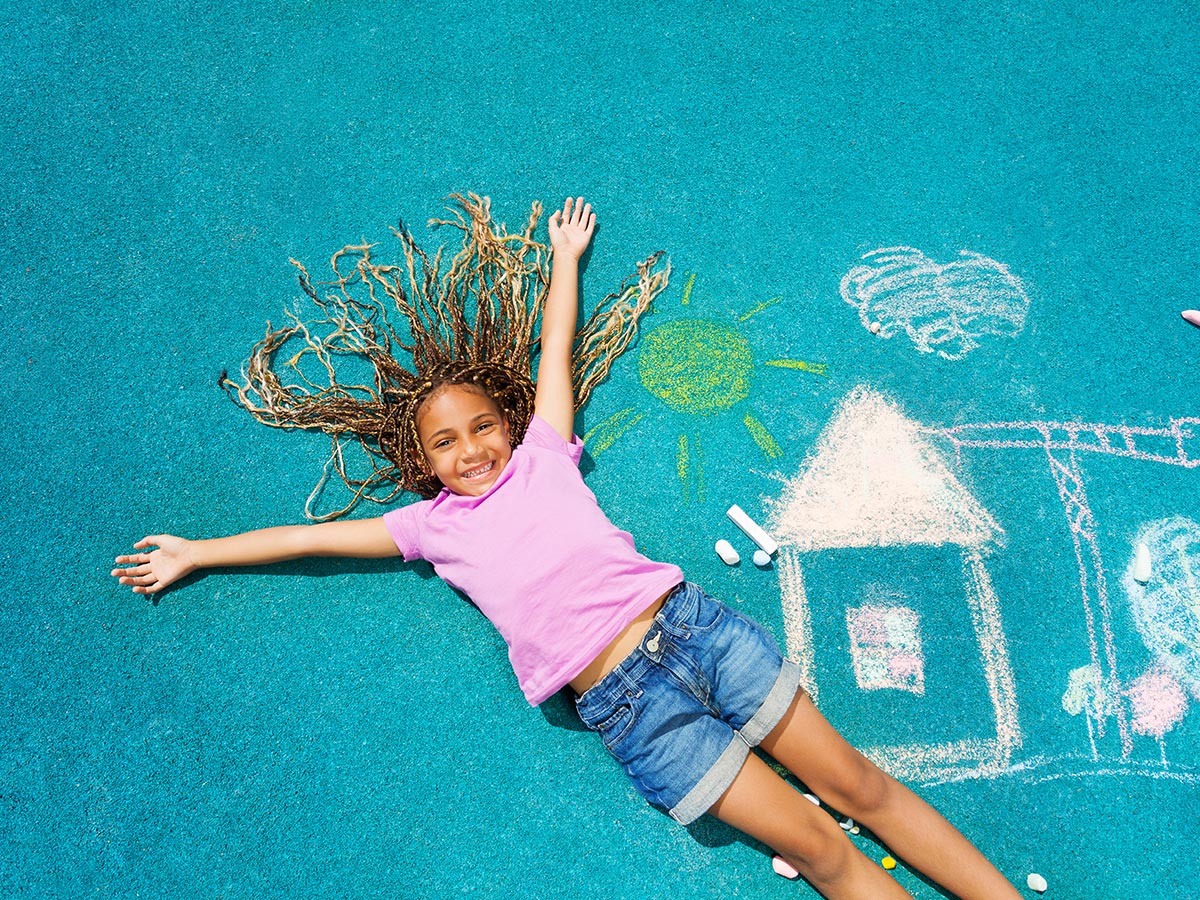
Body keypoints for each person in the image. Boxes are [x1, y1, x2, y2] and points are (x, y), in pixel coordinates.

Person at [113, 197, 1021, 899]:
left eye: (482, 427)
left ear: (509, 425)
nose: (472, 450)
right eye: (446, 443)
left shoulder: (546, 452)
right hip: (632, 712)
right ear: (420, 462)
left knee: (861, 786)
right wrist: (202, 550)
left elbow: (556, 352)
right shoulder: (430, 528)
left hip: (694, 632)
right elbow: (310, 539)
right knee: (821, 849)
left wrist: (565, 259)